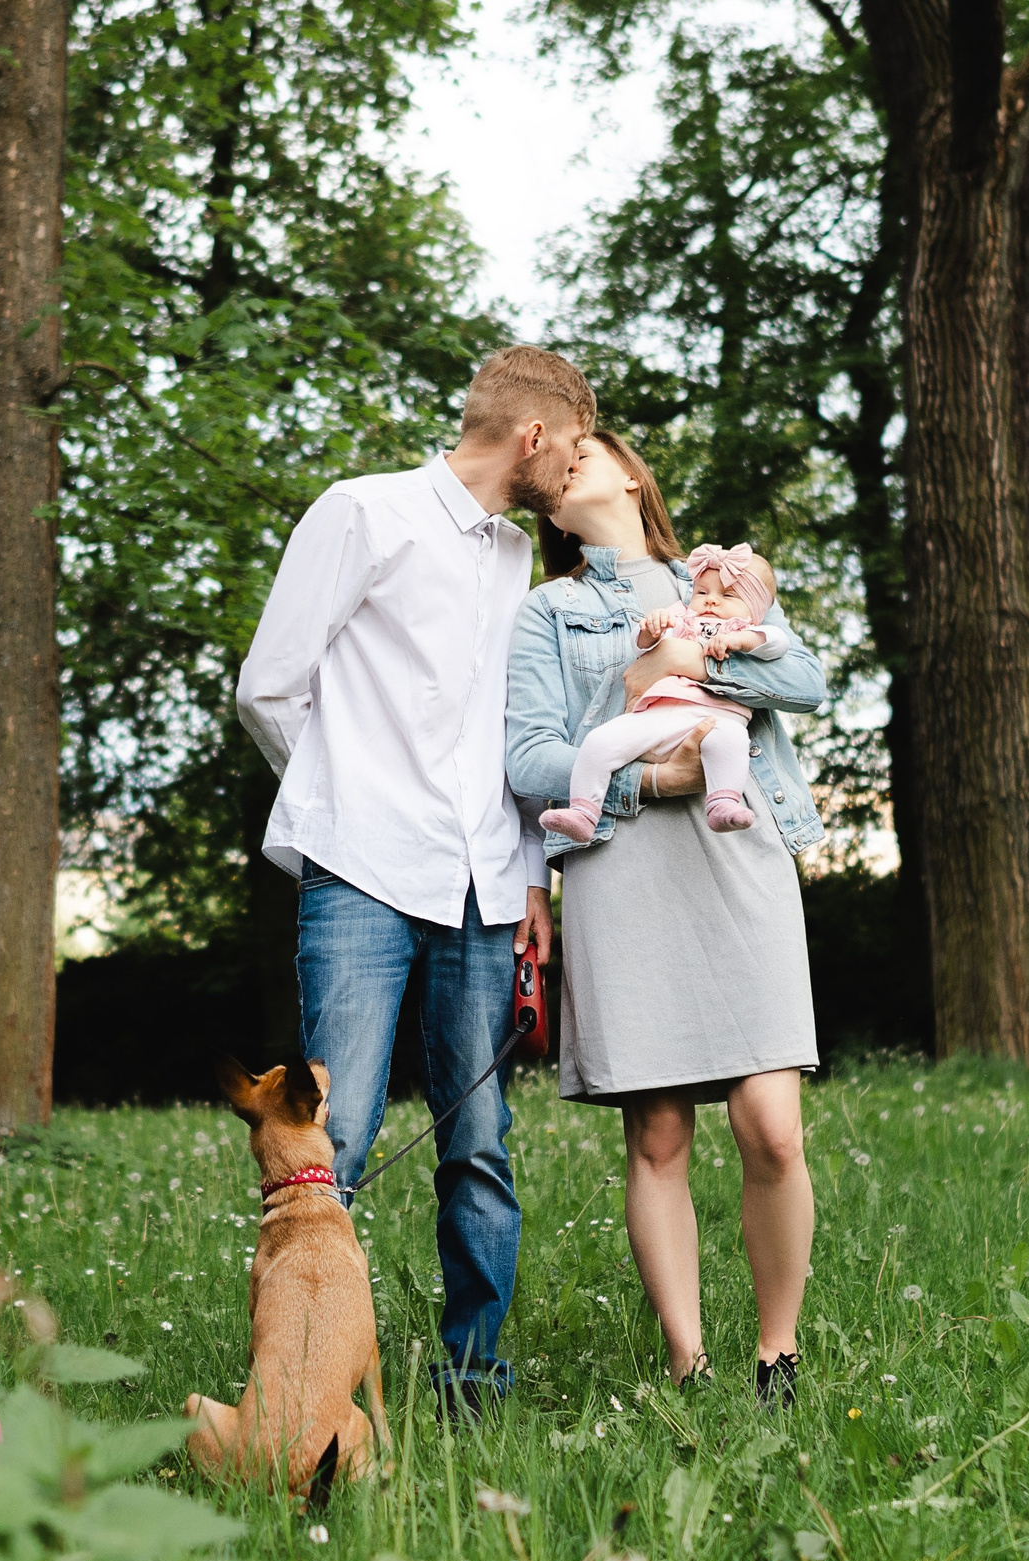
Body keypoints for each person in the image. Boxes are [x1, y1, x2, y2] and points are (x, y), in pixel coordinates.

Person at [235, 344, 590, 1415]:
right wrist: (346, 810)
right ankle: (299, 1384)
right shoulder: (362, 512)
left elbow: (504, 729)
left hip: (487, 891)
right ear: (531, 435)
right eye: (571, 447)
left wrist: (530, 876)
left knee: (477, 1144)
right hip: (361, 879)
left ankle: (471, 1379)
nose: (574, 470)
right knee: (326, 1142)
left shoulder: (512, 553)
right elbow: (270, 686)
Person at [505, 428, 829, 1408]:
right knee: (656, 1136)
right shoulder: (544, 614)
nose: (566, 467)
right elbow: (527, 762)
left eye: (584, 453)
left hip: (740, 857)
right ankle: (689, 1366)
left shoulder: (718, 578)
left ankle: (779, 1353)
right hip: (622, 863)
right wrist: (654, 772)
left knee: (771, 1130)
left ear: (630, 473)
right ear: (551, 518)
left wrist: (697, 650)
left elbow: (804, 682)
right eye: (550, 475)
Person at [536, 543, 790, 841]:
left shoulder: (750, 629)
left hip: (711, 719)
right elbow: (641, 645)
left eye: (728, 595)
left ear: (756, 609)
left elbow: (777, 642)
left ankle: (723, 803)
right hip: (656, 712)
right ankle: (582, 812)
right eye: (702, 592)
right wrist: (650, 631)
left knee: (731, 741)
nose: (711, 602)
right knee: (599, 741)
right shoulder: (680, 617)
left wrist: (741, 640)